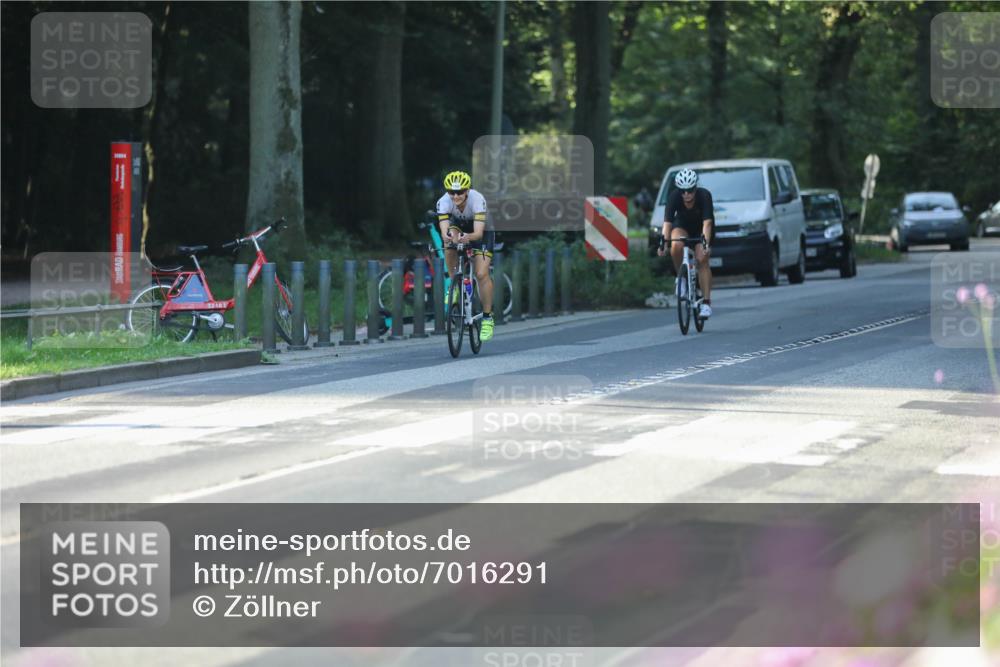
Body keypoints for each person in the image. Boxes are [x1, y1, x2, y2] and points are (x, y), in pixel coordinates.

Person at [436, 170, 496, 341]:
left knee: (481, 274)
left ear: (467, 190)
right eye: (451, 192)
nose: (456, 196)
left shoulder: (477, 200)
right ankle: (455, 284)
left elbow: (477, 233)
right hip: (458, 225)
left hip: (481, 230)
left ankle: (487, 318)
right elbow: (444, 230)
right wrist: (449, 238)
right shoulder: (443, 202)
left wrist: (467, 238)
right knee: (448, 241)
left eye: (460, 192)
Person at [657, 168, 715, 318]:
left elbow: (707, 223)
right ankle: (681, 278)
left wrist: (705, 245)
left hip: (701, 228)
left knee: (702, 259)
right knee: (676, 245)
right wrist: (662, 243)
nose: (686, 195)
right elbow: (667, 224)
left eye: (690, 190)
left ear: (695, 188)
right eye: (683, 191)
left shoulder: (704, 195)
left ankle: (707, 303)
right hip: (682, 225)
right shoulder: (674, 197)